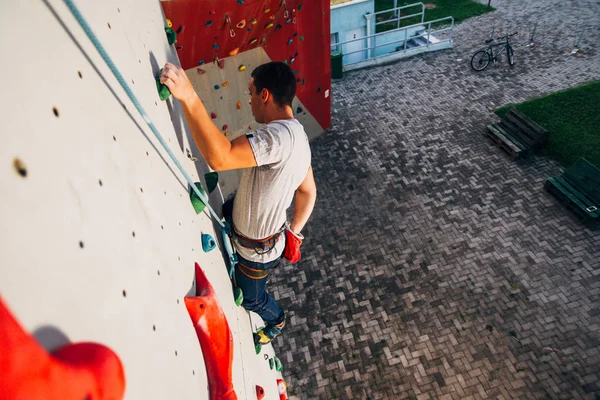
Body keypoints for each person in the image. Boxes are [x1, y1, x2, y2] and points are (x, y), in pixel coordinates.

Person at [160, 61, 316, 345]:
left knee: (252, 298)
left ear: (265, 95)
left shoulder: (277, 138)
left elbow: (222, 157)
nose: (250, 100)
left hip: (255, 253)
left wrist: (189, 96)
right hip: (262, 230)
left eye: (251, 92)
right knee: (228, 208)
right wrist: (295, 231)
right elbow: (309, 191)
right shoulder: (299, 137)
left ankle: (276, 320)